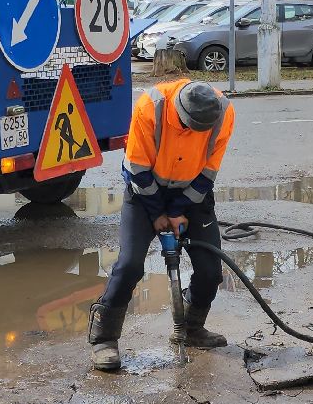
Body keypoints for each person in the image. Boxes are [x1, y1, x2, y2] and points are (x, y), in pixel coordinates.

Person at [89, 79, 236, 372]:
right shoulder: (151, 107)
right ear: (179, 112)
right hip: (144, 192)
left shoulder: (224, 113)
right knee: (130, 265)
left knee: (210, 270)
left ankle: (191, 328)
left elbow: (208, 172)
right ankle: (104, 339)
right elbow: (137, 169)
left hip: (193, 195)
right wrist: (159, 214)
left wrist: (179, 210)